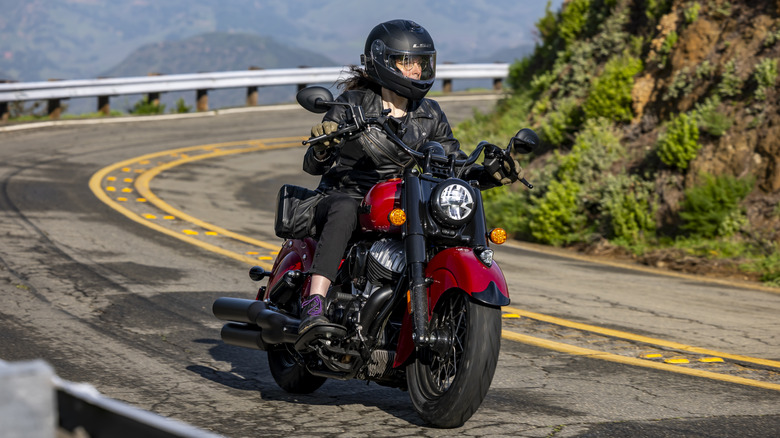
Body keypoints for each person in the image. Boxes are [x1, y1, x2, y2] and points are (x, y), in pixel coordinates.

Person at [297, 19, 523, 338]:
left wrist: (488, 174)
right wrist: (325, 145)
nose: (416, 70)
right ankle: (314, 303)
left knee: (440, 216)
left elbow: (452, 162)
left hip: (398, 200)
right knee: (346, 208)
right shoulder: (351, 104)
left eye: (420, 62)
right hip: (343, 195)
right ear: (382, 61)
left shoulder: (430, 113)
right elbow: (312, 165)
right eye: (407, 61)